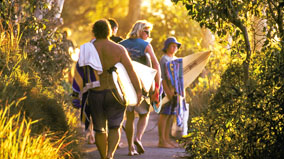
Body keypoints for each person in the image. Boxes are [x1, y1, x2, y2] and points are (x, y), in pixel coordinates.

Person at [87, 19, 142, 159]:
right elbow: (131, 71)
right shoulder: (119, 49)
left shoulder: (88, 49)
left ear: (94, 31)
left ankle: (103, 156)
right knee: (115, 127)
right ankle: (110, 155)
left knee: (99, 129)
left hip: (95, 93)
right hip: (114, 92)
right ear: (109, 31)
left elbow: (81, 74)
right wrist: (138, 90)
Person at [119, 20, 161, 156]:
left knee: (129, 116)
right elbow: (156, 65)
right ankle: (138, 138)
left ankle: (131, 147)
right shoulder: (145, 45)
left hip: (125, 84)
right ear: (140, 31)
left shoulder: (121, 44)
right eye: (147, 32)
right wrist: (157, 86)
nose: (148, 35)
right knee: (144, 113)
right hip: (142, 85)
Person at [158, 37, 182, 148]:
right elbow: (162, 78)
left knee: (170, 115)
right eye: (172, 46)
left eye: (175, 46)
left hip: (175, 92)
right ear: (167, 47)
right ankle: (161, 140)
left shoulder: (176, 59)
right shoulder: (164, 59)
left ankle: (167, 139)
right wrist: (167, 92)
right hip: (166, 91)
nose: (174, 48)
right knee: (164, 115)